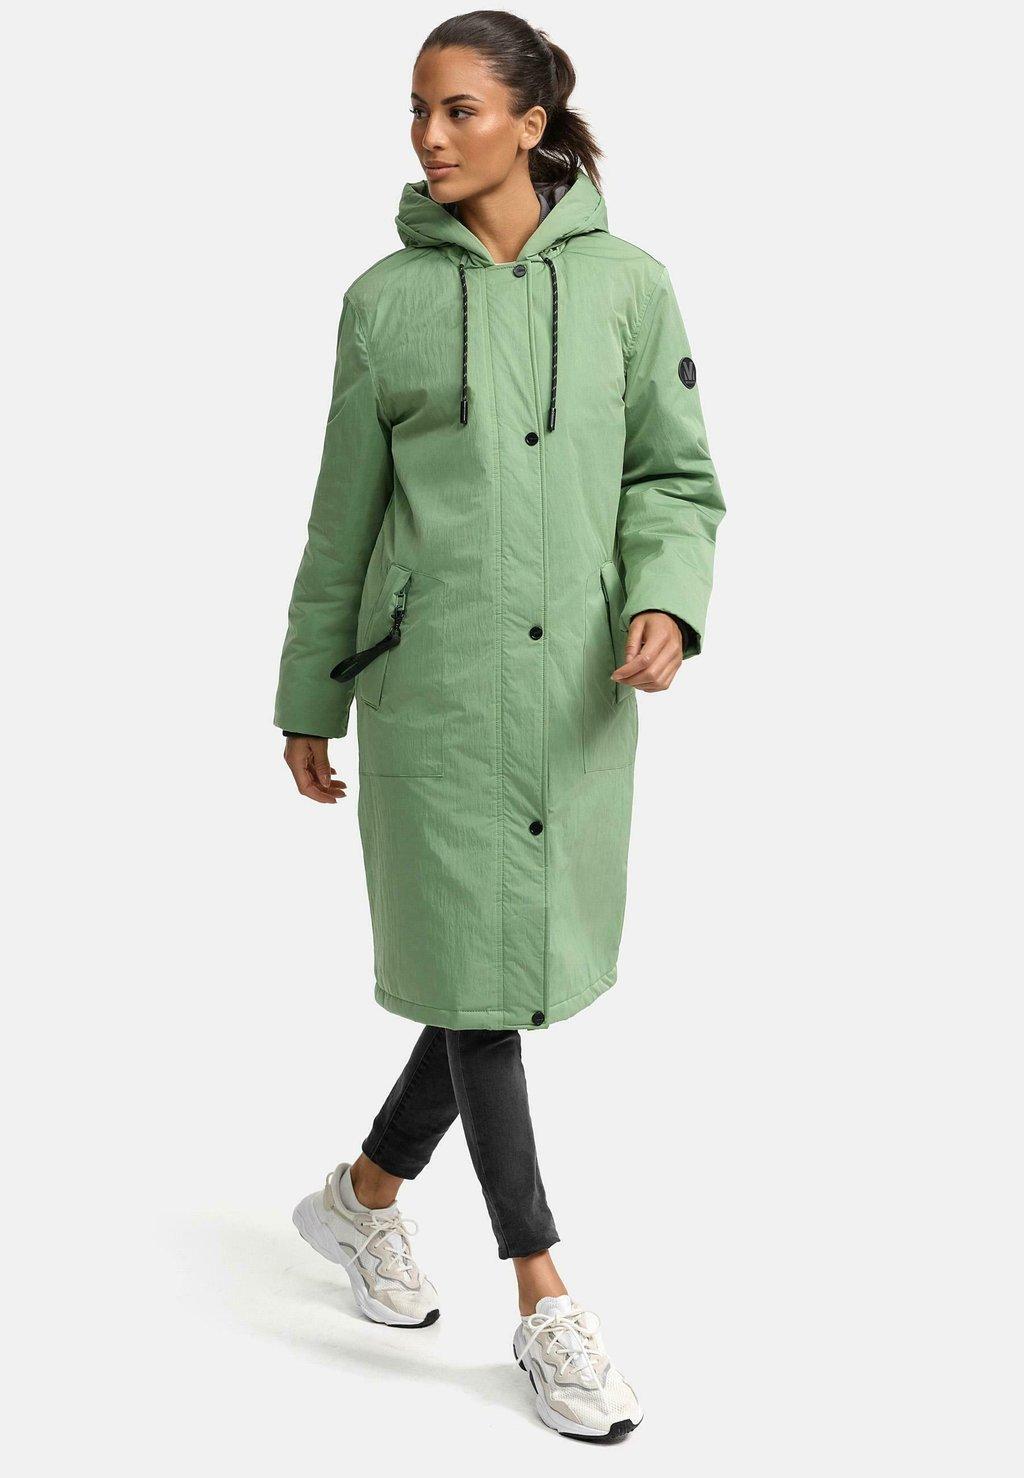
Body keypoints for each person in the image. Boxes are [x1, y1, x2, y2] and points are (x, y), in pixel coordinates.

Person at [274, 10, 725, 1443]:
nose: (428, 137)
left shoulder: (631, 289)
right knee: (479, 984)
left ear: (532, 124)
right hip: (434, 695)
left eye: (458, 110)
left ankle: (364, 1196)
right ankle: (544, 1294)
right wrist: (309, 692)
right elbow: (343, 518)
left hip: (575, 696)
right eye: (416, 111)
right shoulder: (384, 302)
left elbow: (673, 476)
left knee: (495, 973)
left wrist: (666, 599)